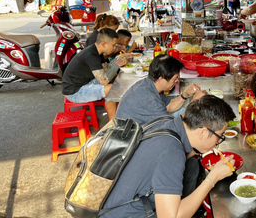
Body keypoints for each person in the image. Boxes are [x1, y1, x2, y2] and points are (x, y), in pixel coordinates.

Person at [100, 95, 236, 218]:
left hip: (118, 199)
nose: (219, 142)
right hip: (124, 214)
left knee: (192, 165)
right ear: (203, 132)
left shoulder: (169, 124)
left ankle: (186, 207)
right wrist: (212, 178)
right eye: (220, 136)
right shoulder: (171, 153)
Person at [115, 55, 207, 124]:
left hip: (137, 128)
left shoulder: (149, 84)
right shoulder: (148, 98)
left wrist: (185, 94)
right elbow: (174, 127)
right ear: (161, 79)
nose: (176, 81)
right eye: (174, 78)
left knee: (181, 112)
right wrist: (195, 103)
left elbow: (169, 107)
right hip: (131, 140)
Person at [62, 28, 127, 120]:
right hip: (74, 92)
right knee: (111, 89)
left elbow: (106, 69)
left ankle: (117, 115)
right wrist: (117, 64)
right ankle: (113, 122)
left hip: (84, 83)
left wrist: (117, 59)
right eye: (113, 45)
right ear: (104, 43)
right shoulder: (91, 55)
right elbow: (104, 81)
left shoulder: (96, 51)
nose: (114, 48)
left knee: (116, 84)